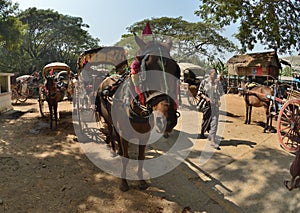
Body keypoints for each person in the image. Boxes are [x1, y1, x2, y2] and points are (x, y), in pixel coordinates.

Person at [197, 69, 224, 149]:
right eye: (214, 74)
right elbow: (199, 92)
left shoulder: (218, 83)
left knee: (214, 122)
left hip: (215, 105)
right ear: (210, 74)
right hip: (206, 105)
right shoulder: (204, 82)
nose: (215, 75)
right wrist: (206, 98)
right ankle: (202, 132)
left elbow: (222, 92)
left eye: (216, 74)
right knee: (205, 119)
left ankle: (212, 140)